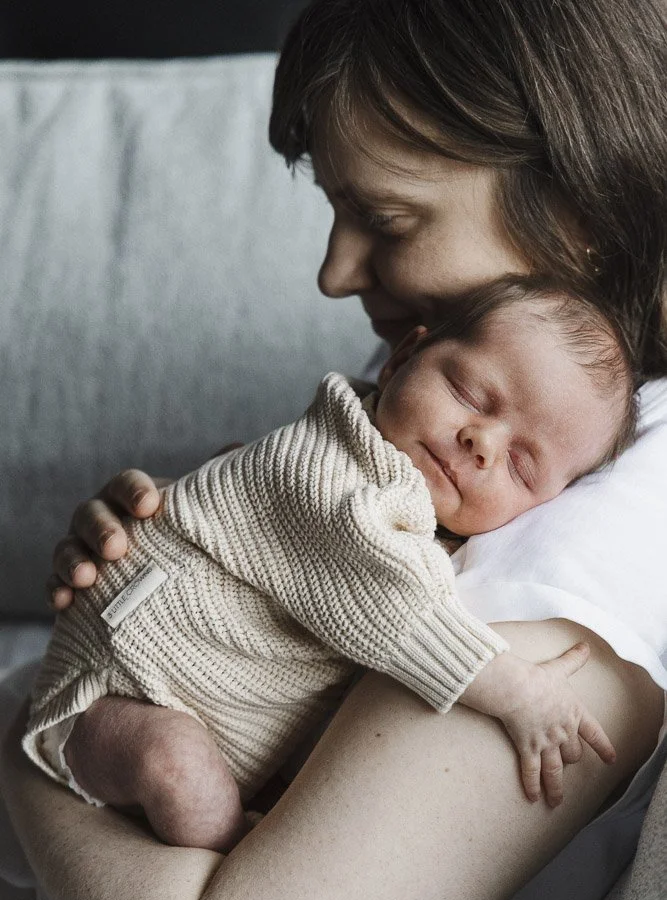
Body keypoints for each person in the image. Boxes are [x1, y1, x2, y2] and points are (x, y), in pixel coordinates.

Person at [2, 2, 666, 900]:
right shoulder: (476, 364)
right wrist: (178, 536)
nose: (333, 272)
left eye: (386, 219)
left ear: (575, 210)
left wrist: (19, 738)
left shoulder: (613, 506)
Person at [21, 277, 632, 852]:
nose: (483, 443)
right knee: (178, 766)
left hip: (192, 708)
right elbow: (395, 610)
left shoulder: (418, 518)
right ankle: (220, 893)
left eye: (522, 466)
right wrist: (519, 691)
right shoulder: (326, 469)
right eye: (469, 393)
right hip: (111, 688)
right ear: (399, 361)